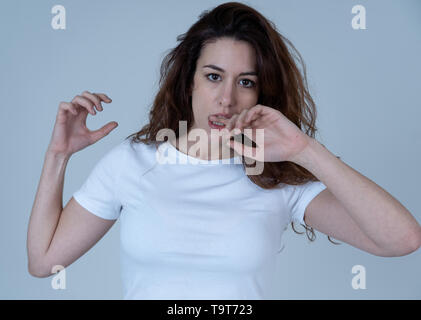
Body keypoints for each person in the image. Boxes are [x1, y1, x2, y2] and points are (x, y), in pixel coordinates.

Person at [27, 2, 421, 299]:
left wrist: (305, 150)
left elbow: (401, 240)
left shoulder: (275, 177)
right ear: (189, 82)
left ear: (261, 93)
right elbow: (44, 262)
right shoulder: (133, 164)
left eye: (246, 82)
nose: (226, 99)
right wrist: (58, 155)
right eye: (213, 77)